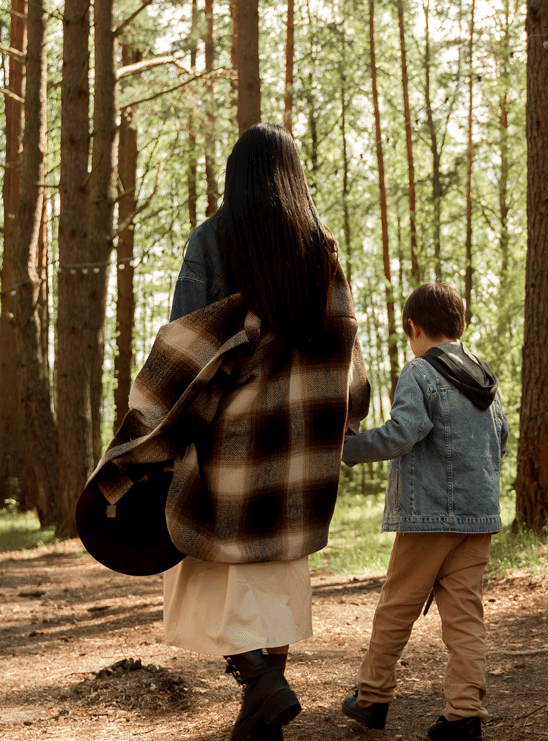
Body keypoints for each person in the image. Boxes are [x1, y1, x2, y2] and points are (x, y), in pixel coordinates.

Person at [159, 122, 370, 740]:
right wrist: (346, 412)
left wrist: (162, 426)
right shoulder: (319, 246)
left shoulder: (214, 238)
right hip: (298, 438)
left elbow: (185, 338)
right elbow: (343, 340)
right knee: (277, 574)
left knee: (199, 557)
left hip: (230, 435)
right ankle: (265, 700)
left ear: (237, 177)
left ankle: (259, 683)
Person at [339, 283, 508, 741]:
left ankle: (372, 698)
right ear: (461, 324)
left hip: (428, 517)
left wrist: (349, 447)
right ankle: (464, 714)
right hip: (478, 518)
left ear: (414, 327)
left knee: (396, 608)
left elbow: (404, 431)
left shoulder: (420, 370)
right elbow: (502, 438)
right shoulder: (484, 375)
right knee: (465, 616)